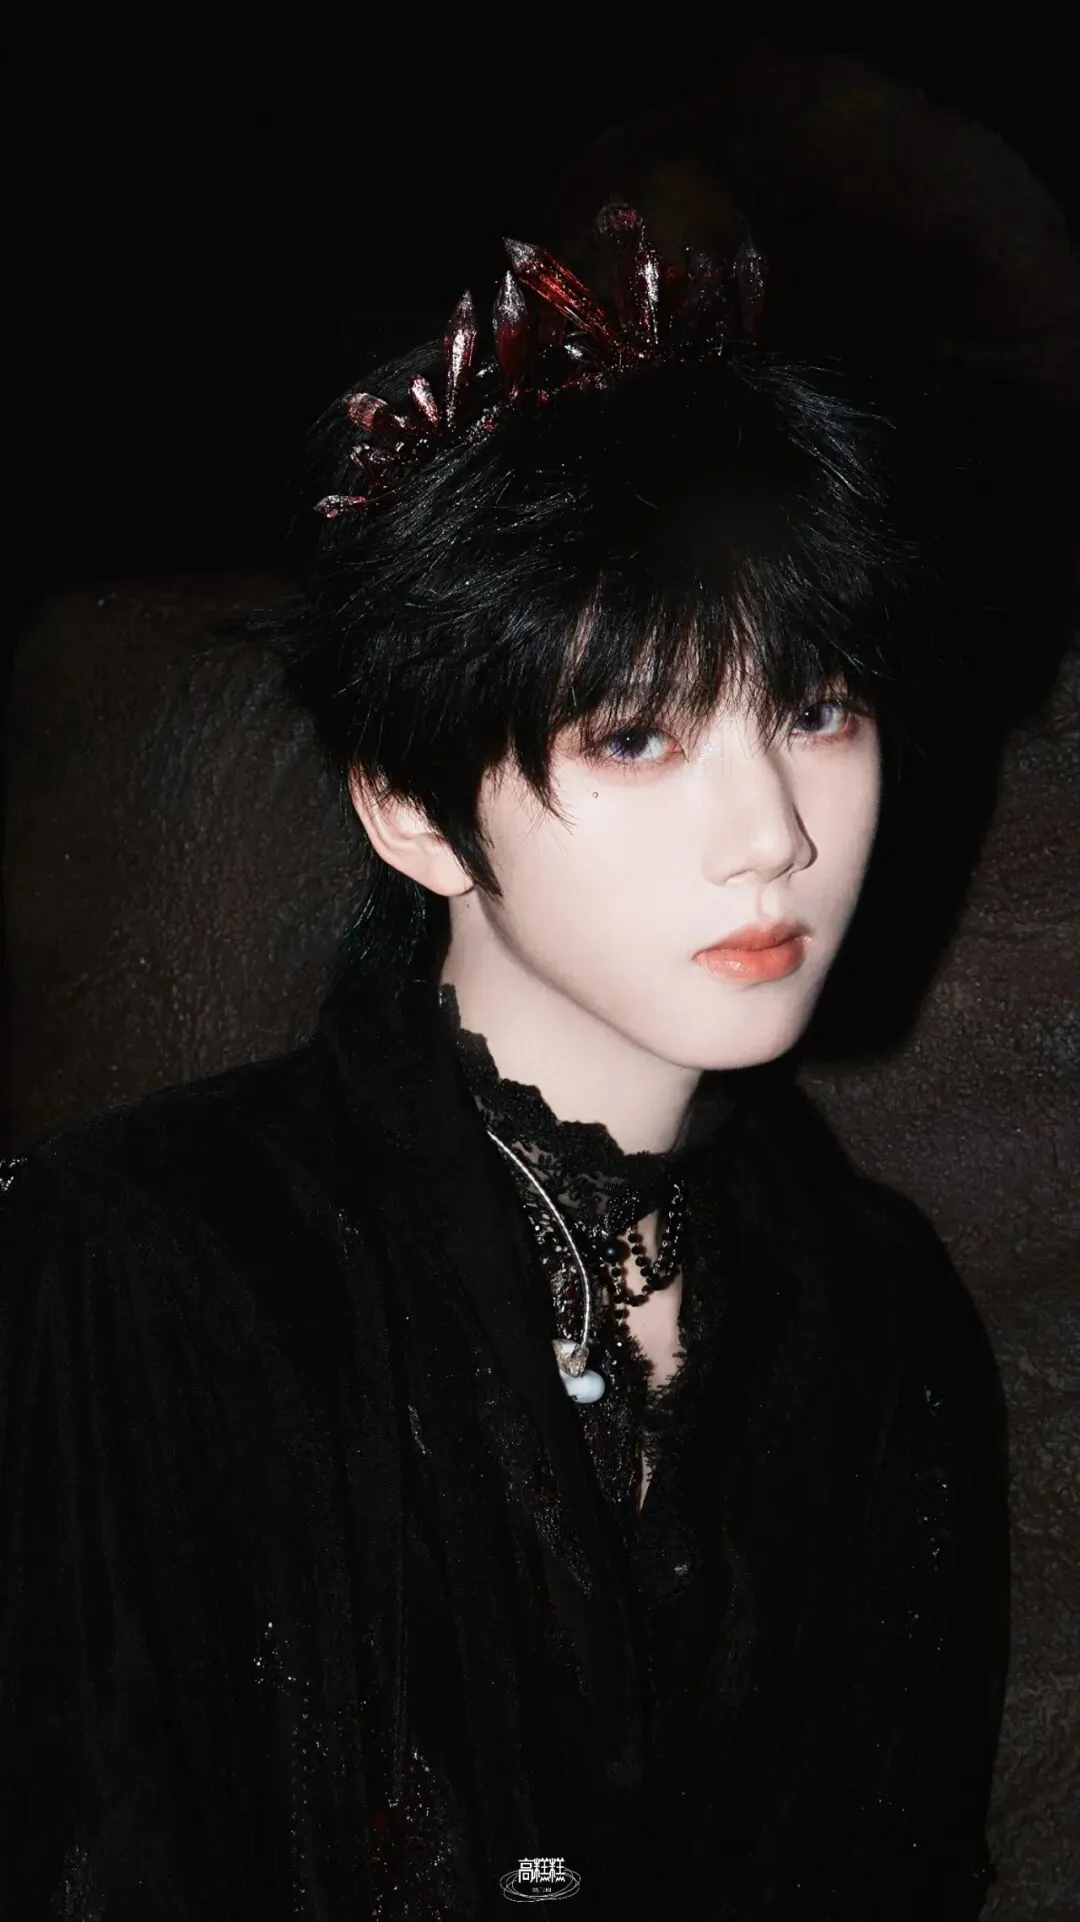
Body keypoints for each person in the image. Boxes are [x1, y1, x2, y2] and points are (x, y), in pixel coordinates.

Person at [1, 204, 1009, 1920]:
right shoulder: (142, 1268)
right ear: (409, 807)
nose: (772, 833)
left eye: (816, 706)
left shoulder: (880, 1305)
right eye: (638, 732)